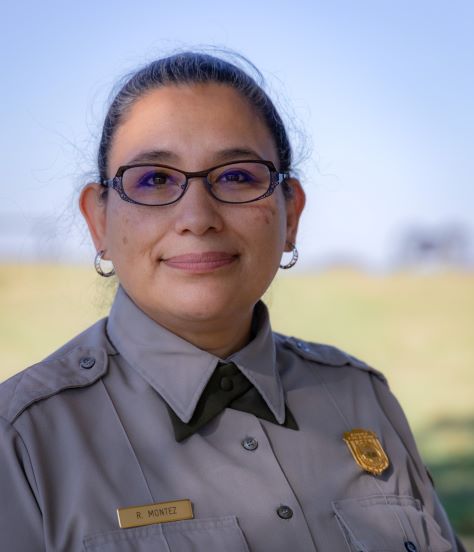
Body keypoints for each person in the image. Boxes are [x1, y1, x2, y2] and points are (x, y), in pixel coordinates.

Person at [0, 51, 464, 552]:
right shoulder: (22, 441)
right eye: (154, 179)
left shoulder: (362, 398)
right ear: (99, 221)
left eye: (237, 176)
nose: (198, 217)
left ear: (291, 213)